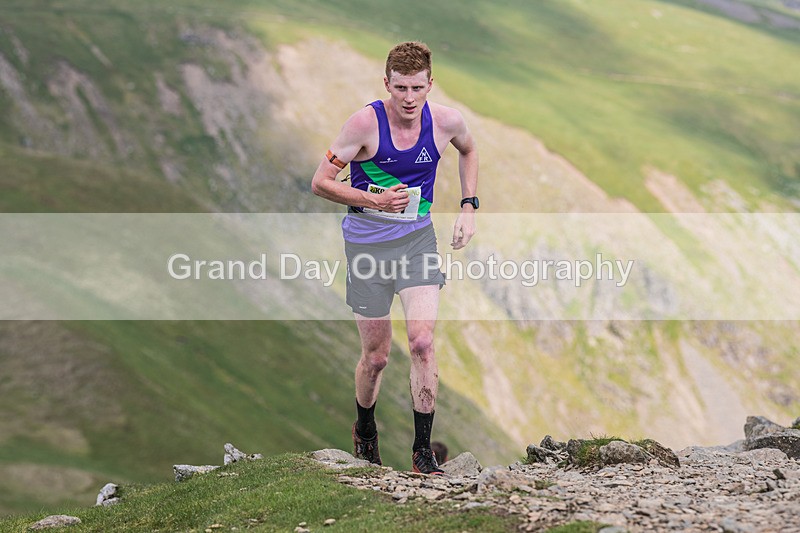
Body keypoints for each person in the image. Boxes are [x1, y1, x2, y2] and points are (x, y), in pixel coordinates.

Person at [311, 41, 479, 475]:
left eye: (417, 88)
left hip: (417, 242)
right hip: (366, 247)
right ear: (386, 83)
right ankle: (365, 429)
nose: (408, 98)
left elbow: (469, 149)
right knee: (377, 357)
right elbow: (321, 182)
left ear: (429, 85)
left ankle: (423, 452)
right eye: (400, 87)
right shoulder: (363, 124)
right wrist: (374, 198)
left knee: (422, 342)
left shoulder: (445, 121)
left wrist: (468, 207)